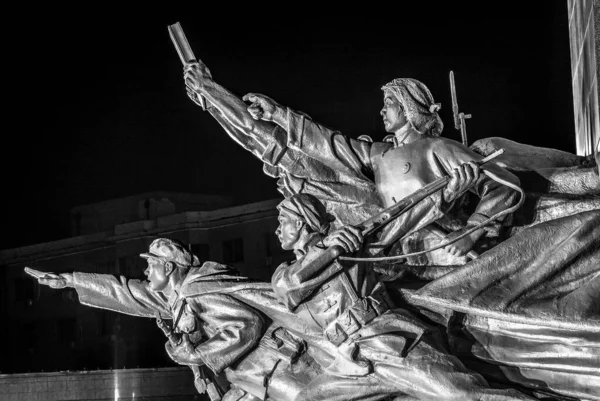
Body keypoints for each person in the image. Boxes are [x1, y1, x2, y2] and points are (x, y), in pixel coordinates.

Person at [270, 193, 535, 401]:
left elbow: (398, 221)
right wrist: (328, 247)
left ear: (303, 221)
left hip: (389, 342)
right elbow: (289, 285)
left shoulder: (352, 244)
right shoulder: (287, 272)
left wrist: (448, 192)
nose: (277, 230)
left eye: (283, 221)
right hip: (351, 361)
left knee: (462, 395)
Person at [26, 238, 320, 401]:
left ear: (168, 267)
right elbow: (124, 291)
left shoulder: (196, 290)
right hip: (248, 381)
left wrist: (195, 354)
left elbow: (246, 325)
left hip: (275, 374)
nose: (145, 273)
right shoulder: (175, 297)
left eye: (150, 266)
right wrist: (69, 280)